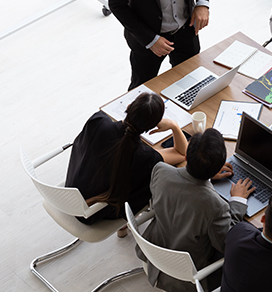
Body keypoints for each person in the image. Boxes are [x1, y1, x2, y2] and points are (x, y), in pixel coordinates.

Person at [136, 128, 253, 292]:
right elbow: (227, 243)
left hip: (153, 253)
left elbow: (181, 193)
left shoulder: (160, 170)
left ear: (185, 157)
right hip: (187, 278)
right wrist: (237, 201)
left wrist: (204, 174)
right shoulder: (215, 206)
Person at [65, 92, 188, 235]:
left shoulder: (98, 121)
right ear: (154, 126)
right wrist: (174, 126)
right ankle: (123, 225)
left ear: (128, 107)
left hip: (70, 194)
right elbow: (182, 153)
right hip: (93, 213)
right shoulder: (146, 157)